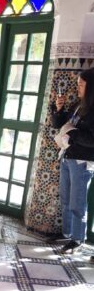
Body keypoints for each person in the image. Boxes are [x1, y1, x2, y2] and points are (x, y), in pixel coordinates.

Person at [50, 68, 94, 254]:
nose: (78, 88)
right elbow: (59, 124)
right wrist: (59, 110)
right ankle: (67, 234)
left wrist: (73, 134)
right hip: (68, 157)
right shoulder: (79, 105)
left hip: (82, 163)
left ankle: (77, 240)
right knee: (66, 199)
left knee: (77, 203)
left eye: (81, 85)